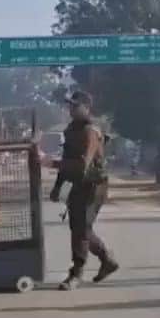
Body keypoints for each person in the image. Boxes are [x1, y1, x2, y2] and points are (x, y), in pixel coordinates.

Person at [47, 91, 119, 290]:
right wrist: (57, 187)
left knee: (82, 229)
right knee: (78, 228)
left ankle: (77, 273)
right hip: (78, 185)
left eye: (75, 106)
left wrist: (50, 162)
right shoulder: (71, 130)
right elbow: (68, 157)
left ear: (87, 108)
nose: (71, 109)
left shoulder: (90, 131)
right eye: (70, 105)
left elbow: (81, 165)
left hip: (95, 186)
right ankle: (107, 261)